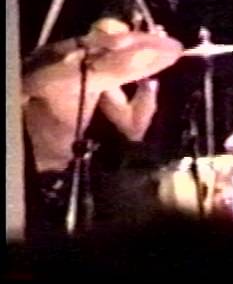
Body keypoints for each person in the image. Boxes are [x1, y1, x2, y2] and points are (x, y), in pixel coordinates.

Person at [21, 17, 182, 233]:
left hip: (68, 174)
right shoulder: (47, 78)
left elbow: (134, 129)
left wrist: (148, 84)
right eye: (109, 41)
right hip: (29, 174)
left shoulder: (100, 82)